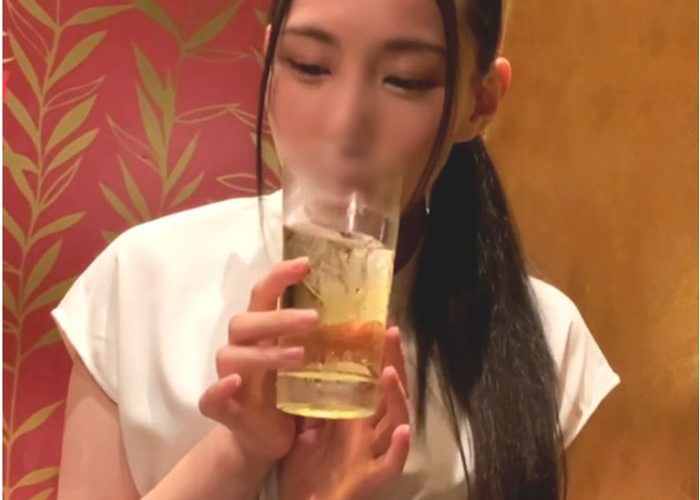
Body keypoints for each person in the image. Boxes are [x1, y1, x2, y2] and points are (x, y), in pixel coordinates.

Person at [52, 0, 620, 499]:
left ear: (480, 102)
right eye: (310, 66)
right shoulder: (141, 284)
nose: (345, 125)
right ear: (270, 68)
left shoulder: (551, 347)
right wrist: (238, 454)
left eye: (406, 80)